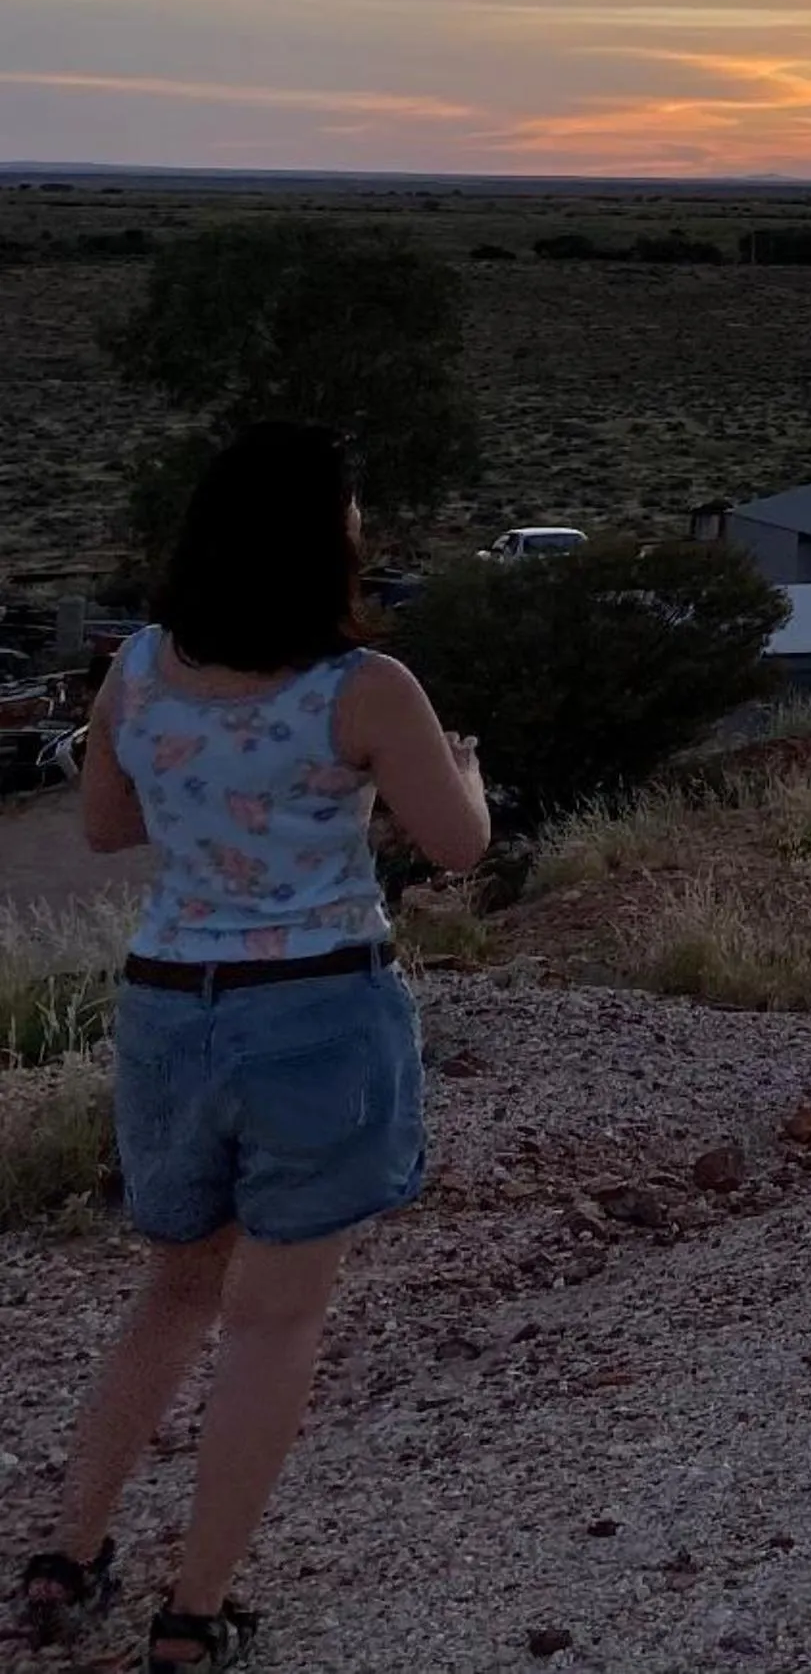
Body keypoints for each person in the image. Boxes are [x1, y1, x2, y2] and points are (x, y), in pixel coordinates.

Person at [19, 424, 490, 1671]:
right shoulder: (365, 687)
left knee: (171, 1290)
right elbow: (456, 847)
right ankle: (193, 1612)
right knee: (272, 1322)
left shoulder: (137, 667)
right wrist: (462, 772)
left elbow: (111, 826)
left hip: (171, 1004)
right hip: (317, 1012)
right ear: (321, 538)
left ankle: (68, 1555)